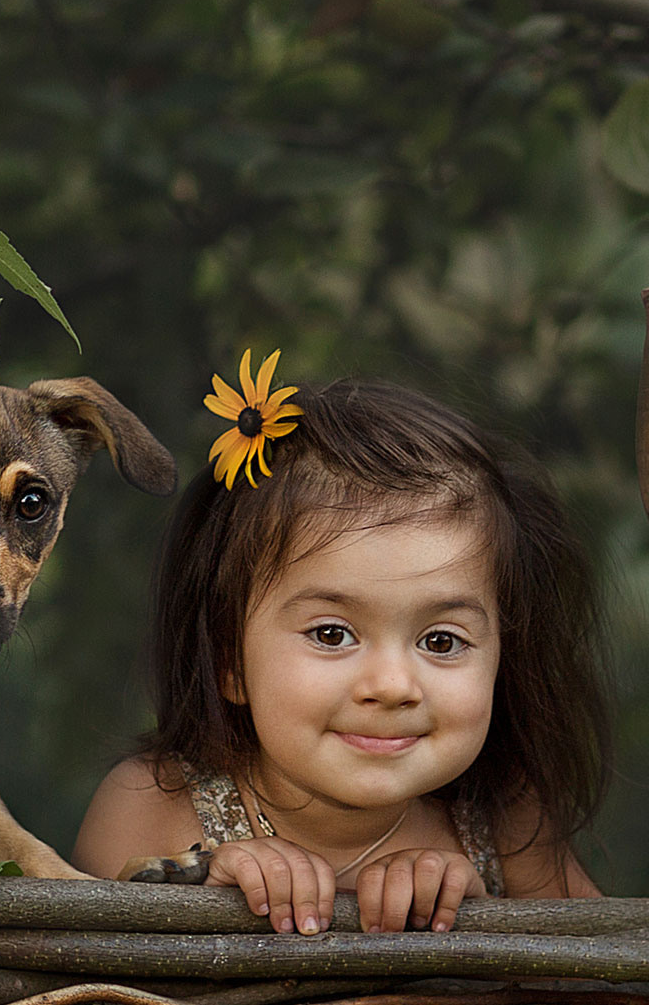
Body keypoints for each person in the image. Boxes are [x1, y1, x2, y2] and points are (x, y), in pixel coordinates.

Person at [73, 353, 611, 936]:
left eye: (441, 640)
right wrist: (195, 892)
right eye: (332, 635)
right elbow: (79, 975)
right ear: (229, 658)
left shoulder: (505, 819)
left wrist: (485, 926)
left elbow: (606, 974)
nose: (392, 686)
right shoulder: (154, 802)